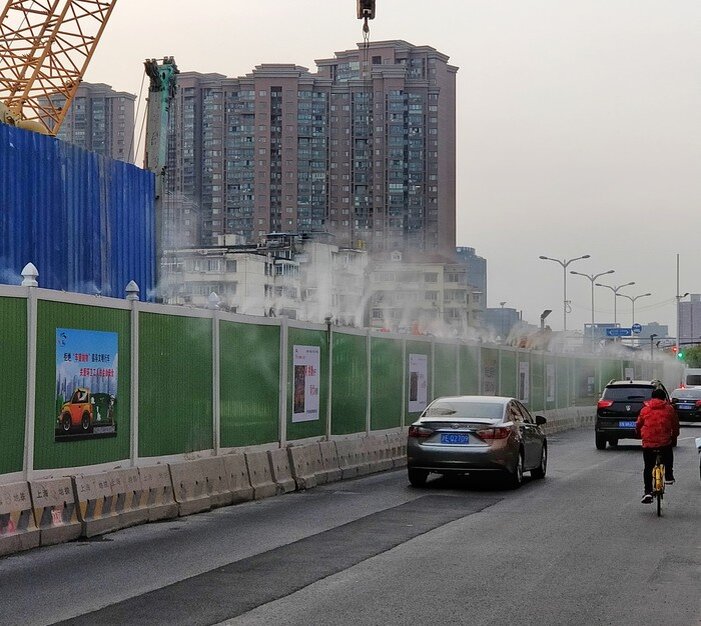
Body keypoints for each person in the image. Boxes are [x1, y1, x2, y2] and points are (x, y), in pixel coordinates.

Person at [635, 388, 679, 504]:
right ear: (664, 398)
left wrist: (639, 434)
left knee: (648, 467)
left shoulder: (645, 410)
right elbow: (675, 425)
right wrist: (674, 437)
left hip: (648, 443)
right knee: (668, 456)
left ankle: (648, 491)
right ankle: (669, 475)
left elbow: (639, 424)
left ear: (652, 398)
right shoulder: (670, 410)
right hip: (664, 443)